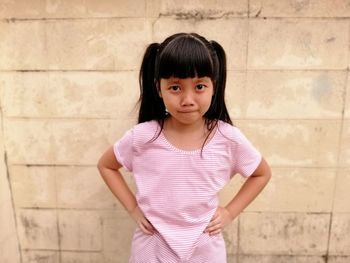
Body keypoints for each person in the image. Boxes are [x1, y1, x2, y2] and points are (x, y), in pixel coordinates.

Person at [97, 32, 271, 263]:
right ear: (159, 89)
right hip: (152, 248)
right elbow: (106, 165)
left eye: (199, 86)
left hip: (204, 249)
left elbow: (261, 173)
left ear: (214, 87)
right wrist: (133, 209)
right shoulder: (143, 136)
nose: (188, 99)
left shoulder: (228, 138)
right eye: (175, 88)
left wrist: (229, 212)